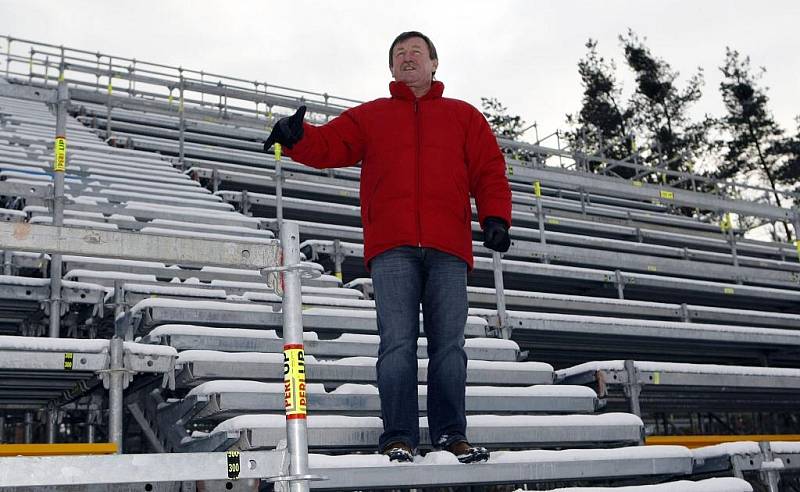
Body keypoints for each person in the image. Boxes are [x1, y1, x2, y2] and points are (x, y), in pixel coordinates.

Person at [264, 31, 511, 464]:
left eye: (416, 51)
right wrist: (296, 137)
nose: (407, 57)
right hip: (392, 247)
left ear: (435, 63)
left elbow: (489, 170)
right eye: (399, 53)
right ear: (391, 68)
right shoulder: (373, 117)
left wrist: (495, 216)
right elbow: (330, 144)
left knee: (449, 347)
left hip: (448, 246)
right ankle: (398, 436)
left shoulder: (464, 117)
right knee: (396, 344)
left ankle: (453, 436)